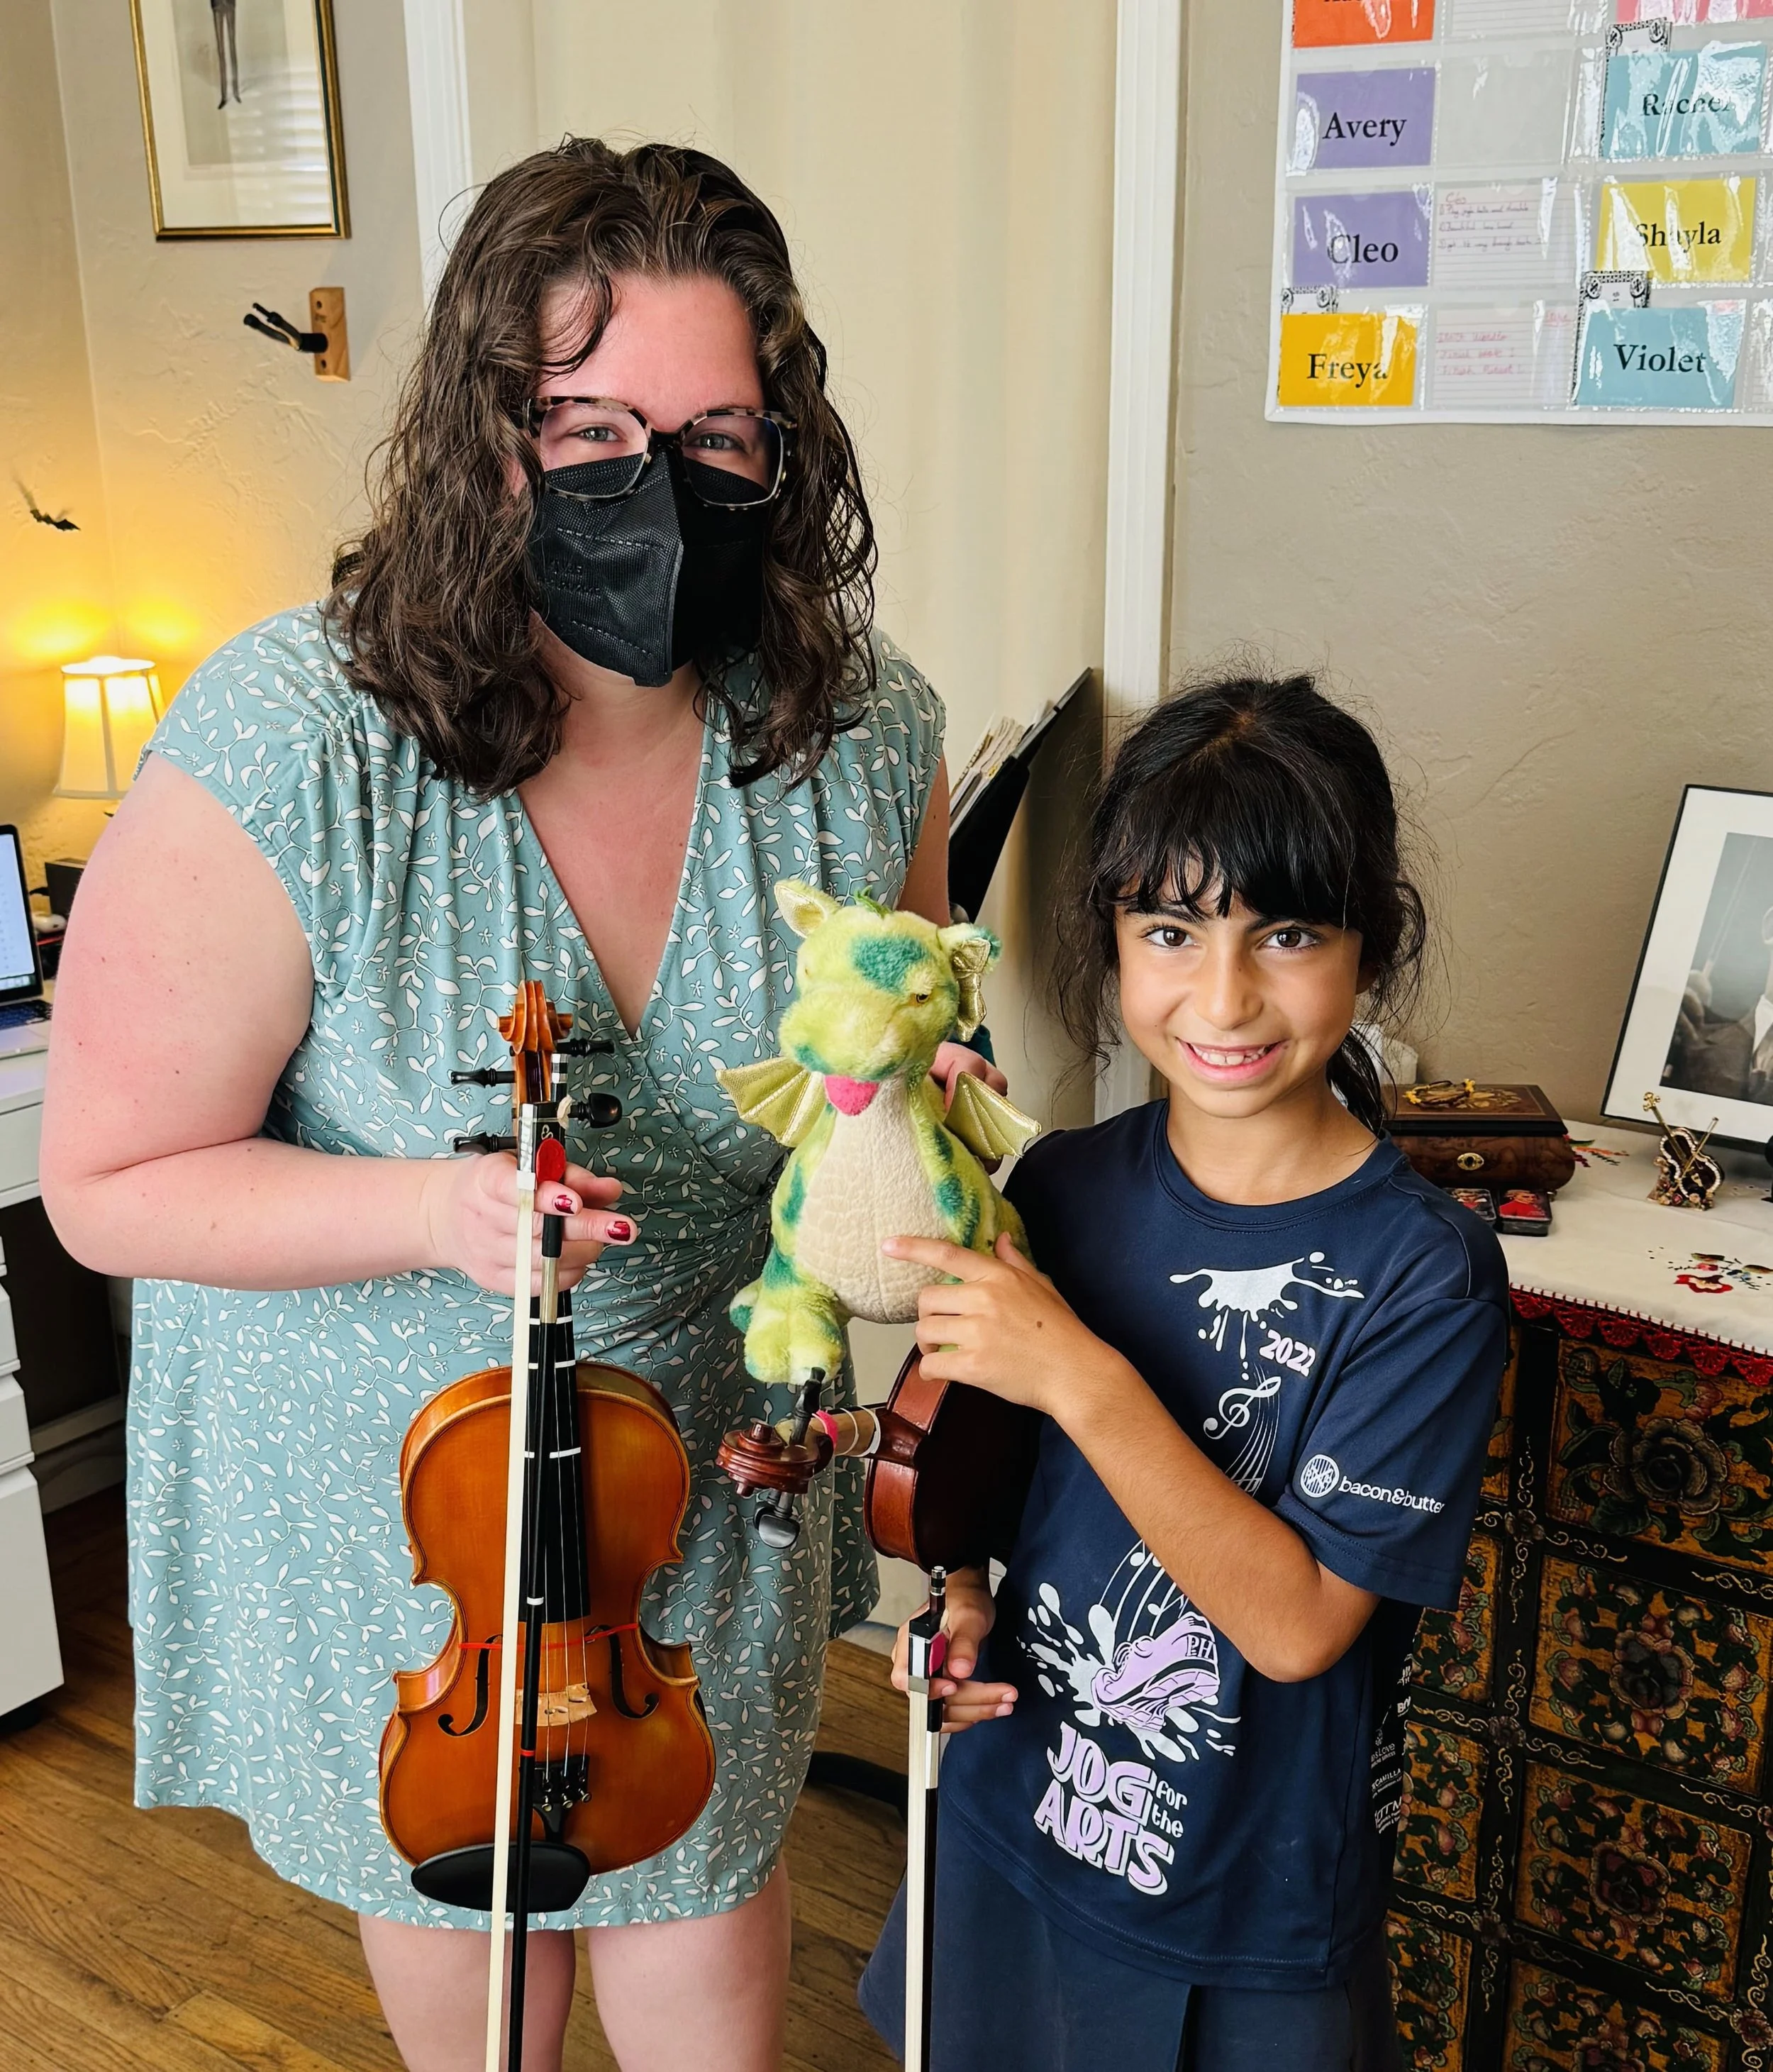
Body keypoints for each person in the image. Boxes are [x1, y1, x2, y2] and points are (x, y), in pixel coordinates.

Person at [40, 140, 998, 2072]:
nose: (661, 483)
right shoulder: (294, 737)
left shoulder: (859, 729)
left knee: (707, 1916)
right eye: (591, 431)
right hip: (412, 1508)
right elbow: (108, 1180)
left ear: (782, 451)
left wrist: (917, 1111)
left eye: (716, 437)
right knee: (483, 1971)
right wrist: (431, 1209)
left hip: (707, 1468)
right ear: (490, 443)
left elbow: (882, 1056)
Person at [859, 675, 1509, 2072]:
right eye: (1169, 930)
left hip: (1241, 1904)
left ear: (1371, 943)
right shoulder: (1058, 1185)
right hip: (1009, 1823)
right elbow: (980, 1486)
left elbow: (1297, 1627)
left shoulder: (1424, 1274)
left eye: (1288, 933)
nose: (1223, 996)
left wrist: (1082, 1378)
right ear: (1110, 939)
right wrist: (961, 1601)